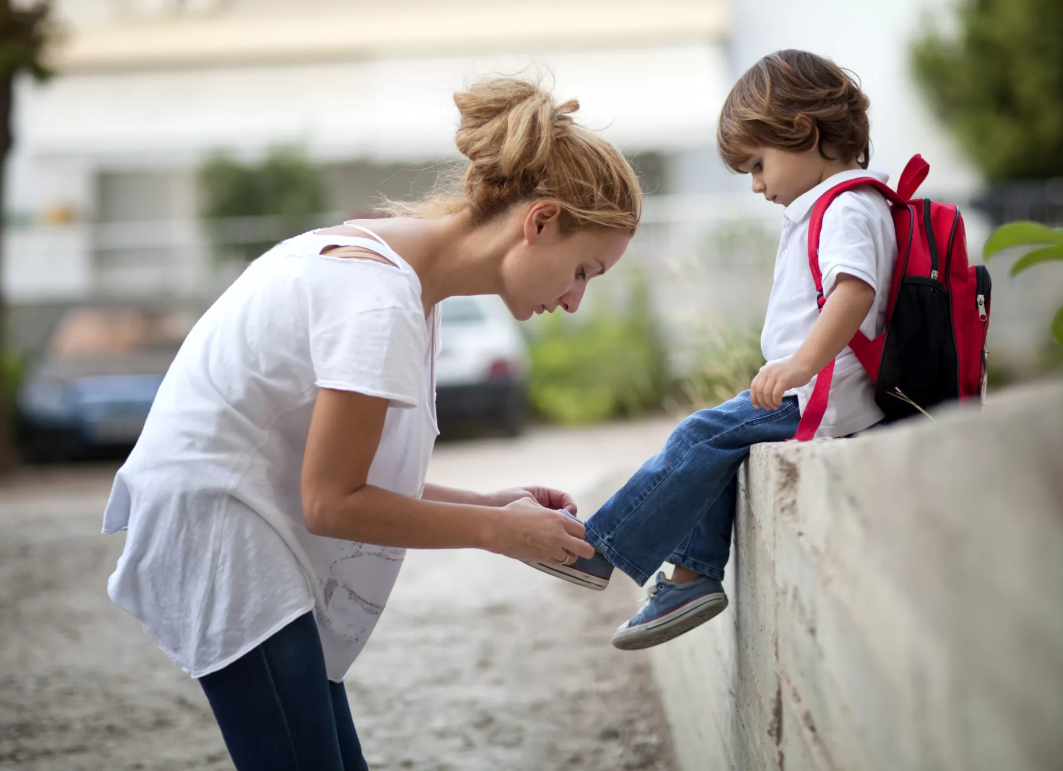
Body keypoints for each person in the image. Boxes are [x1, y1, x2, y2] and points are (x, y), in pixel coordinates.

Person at [101, 77, 642, 771]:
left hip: (251, 531)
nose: (573, 301)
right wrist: (498, 531)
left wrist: (492, 502)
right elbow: (332, 501)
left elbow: (354, 478)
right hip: (225, 543)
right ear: (537, 223)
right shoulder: (378, 297)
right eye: (581, 269)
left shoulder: (398, 279)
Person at [528, 50, 897, 650]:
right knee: (717, 449)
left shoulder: (847, 206)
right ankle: (692, 577)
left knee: (700, 434)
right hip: (814, 391)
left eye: (758, 164)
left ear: (802, 133)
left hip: (820, 397)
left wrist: (803, 362)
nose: (756, 185)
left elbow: (854, 291)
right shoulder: (845, 204)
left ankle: (596, 549)